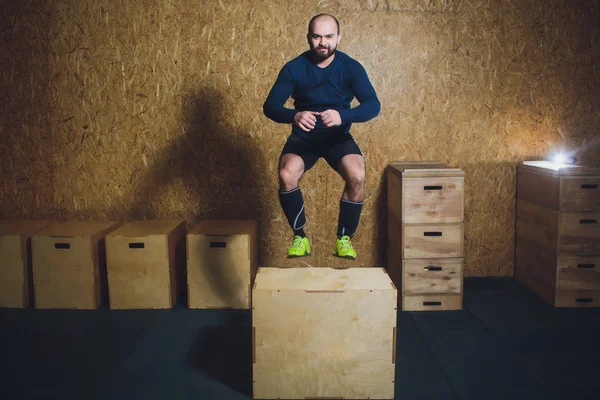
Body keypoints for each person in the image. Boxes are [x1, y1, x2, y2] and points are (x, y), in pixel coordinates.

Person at [263, 13, 381, 260]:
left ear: (339, 37)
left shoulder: (351, 68)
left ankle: (344, 239)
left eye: (329, 36)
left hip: (337, 137)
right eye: (317, 36)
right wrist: (293, 116)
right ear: (309, 38)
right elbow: (271, 106)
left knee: (357, 175)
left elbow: (373, 105)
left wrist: (343, 117)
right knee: (286, 174)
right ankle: (300, 237)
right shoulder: (294, 68)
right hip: (304, 137)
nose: (323, 42)